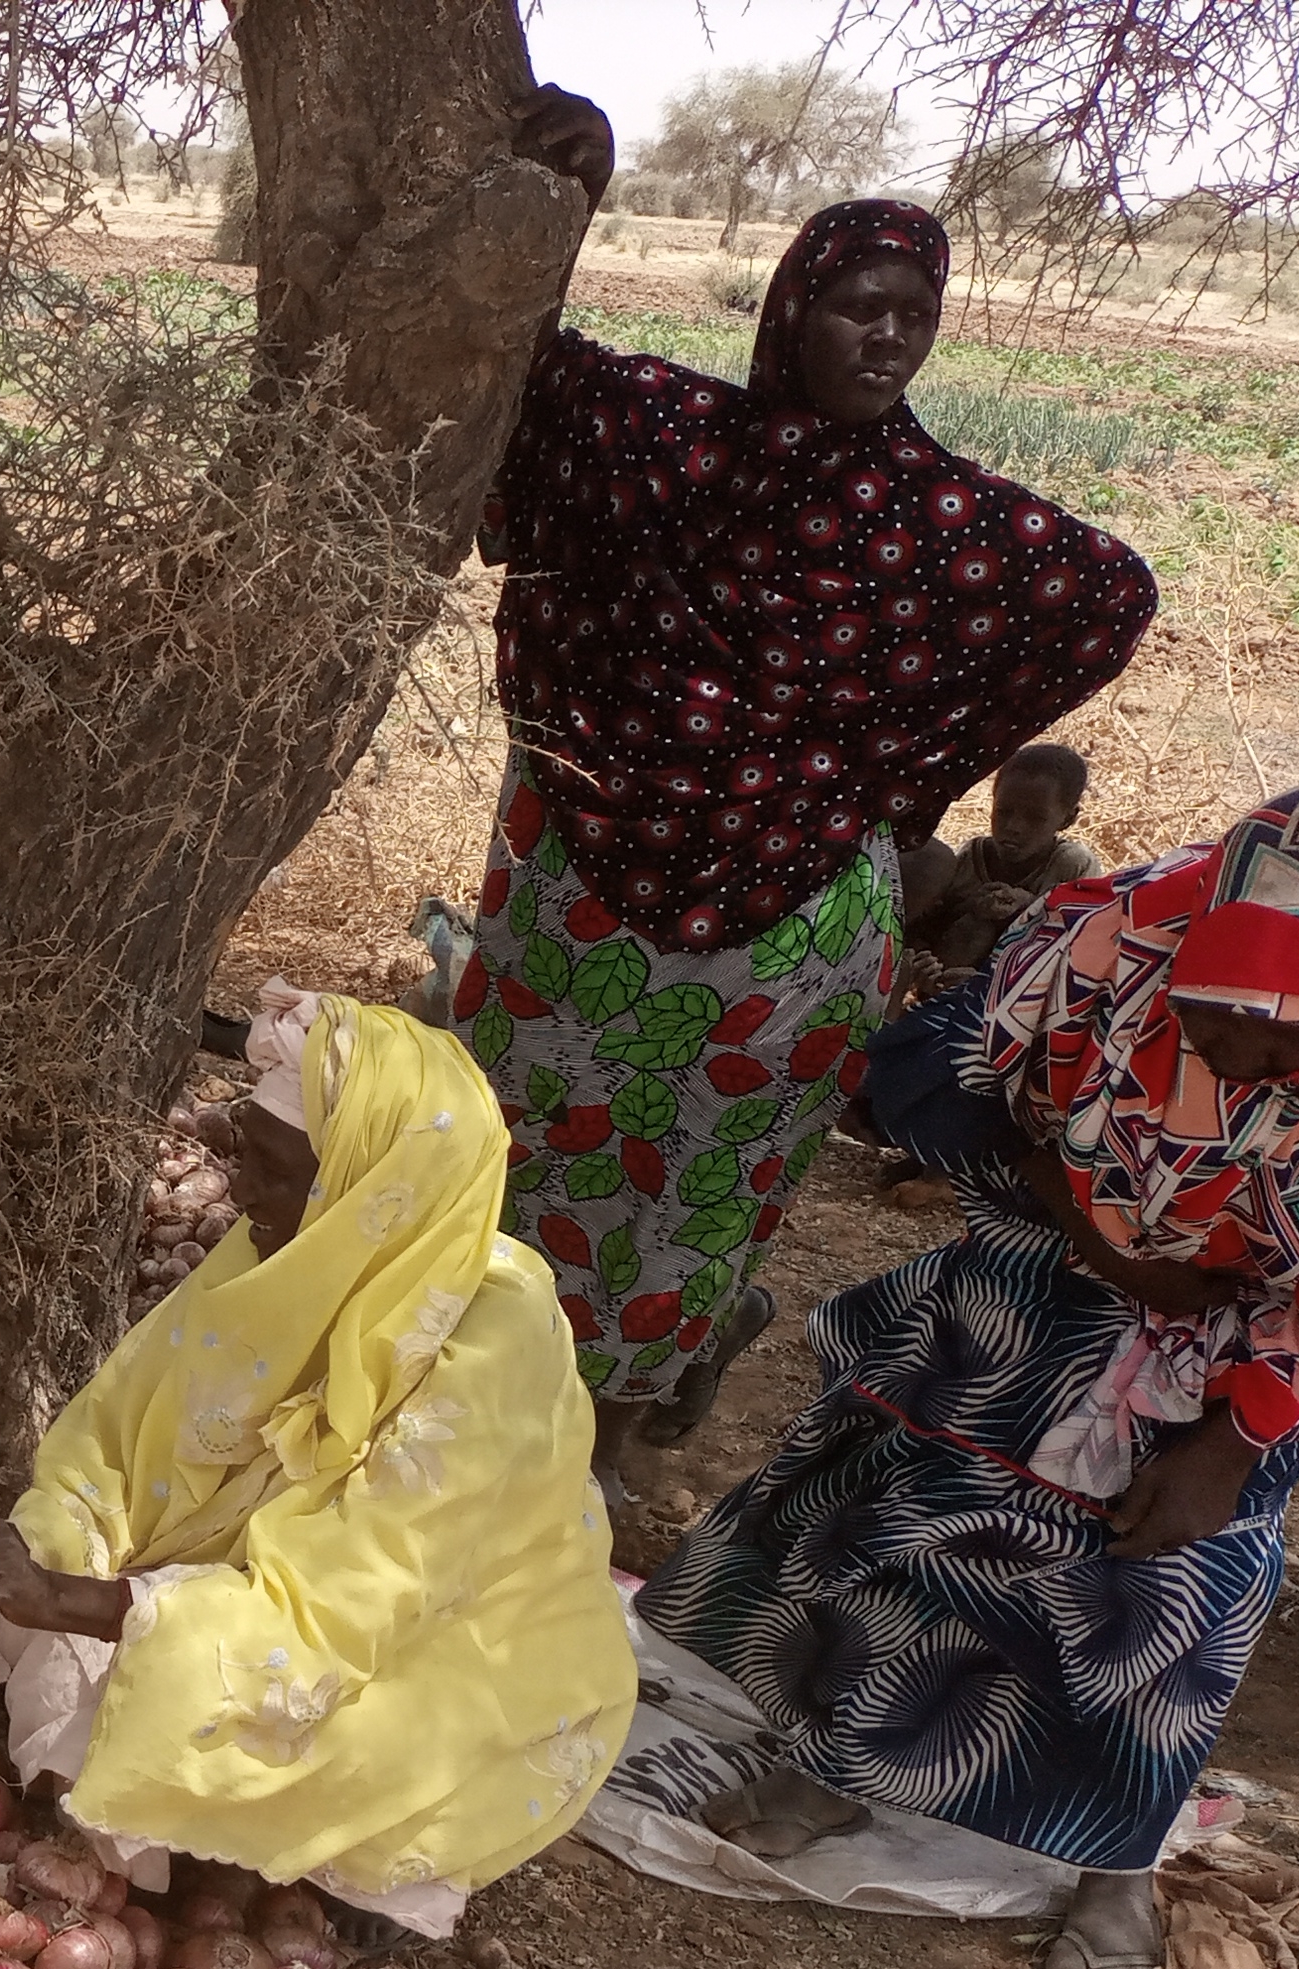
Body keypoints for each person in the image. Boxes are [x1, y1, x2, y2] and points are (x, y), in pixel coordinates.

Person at [455, 173, 1157, 1489]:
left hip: (784, 939)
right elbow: (520, 375)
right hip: (578, 903)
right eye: (857, 305)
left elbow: (1111, 596)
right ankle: (462, 1417)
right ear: (794, 310)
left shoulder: (942, 521)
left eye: (914, 313)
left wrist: (903, 765)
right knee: (516, 1150)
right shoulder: (664, 439)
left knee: (695, 1197)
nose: (887, 336)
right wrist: (562, 191)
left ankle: (596, 1464)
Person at [641, 784, 1299, 1969]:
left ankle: (1110, 1860)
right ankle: (847, 1759)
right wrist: (1086, 1229)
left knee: (1168, 1587)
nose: (1238, 1067)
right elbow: (967, 1084)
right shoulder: (1109, 938)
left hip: (1249, 1326)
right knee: (928, 1507)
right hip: (1047, 1258)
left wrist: (1234, 1439)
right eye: (1207, 1026)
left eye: (1282, 1049)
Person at [0, 985, 637, 1935]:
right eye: (241, 1154)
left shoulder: (491, 1349)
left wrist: (64, 1599)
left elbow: (341, 1618)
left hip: (423, 1643)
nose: (239, 1194)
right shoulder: (290, 1249)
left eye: (272, 1171)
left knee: (283, 1739)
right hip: (266, 1585)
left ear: (365, 1197)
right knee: (91, 1678)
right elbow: (122, 1443)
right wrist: (40, 1544)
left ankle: (348, 1864)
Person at [907, 742, 1108, 981]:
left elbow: (1085, 945)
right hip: (948, 991)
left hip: (1022, 995)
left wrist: (1031, 907)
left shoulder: (1072, 866)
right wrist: (925, 968)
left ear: (1067, 819)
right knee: (976, 926)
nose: (1013, 828)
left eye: (1035, 818)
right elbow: (924, 930)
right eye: (1004, 811)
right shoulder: (971, 858)